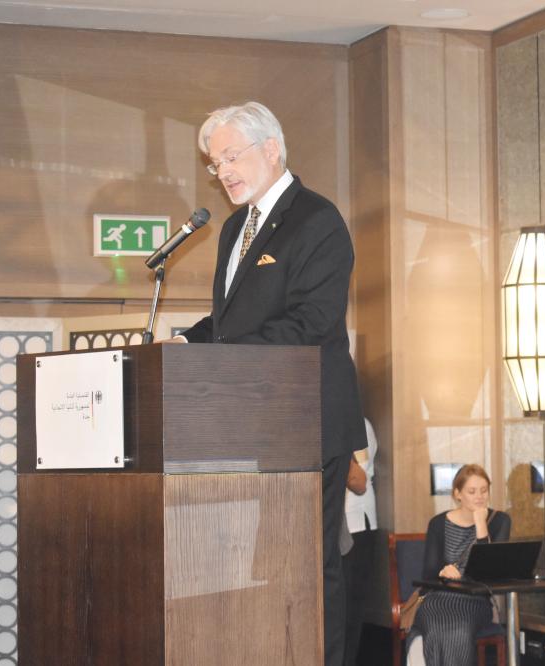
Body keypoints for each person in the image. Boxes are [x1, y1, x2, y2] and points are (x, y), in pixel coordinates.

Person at [173, 101, 366, 666]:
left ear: (272, 149)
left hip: (306, 419)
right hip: (253, 423)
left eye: (231, 156)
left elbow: (312, 322)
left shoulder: (317, 219)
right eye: (215, 163)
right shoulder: (235, 226)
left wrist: (221, 354)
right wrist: (187, 344)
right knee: (265, 568)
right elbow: (233, 322)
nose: (222, 171)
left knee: (307, 564)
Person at [408, 464, 510, 666]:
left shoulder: (500, 521)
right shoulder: (438, 523)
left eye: (484, 490)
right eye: (472, 491)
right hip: (438, 598)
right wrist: (443, 572)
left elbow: (491, 572)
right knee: (437, 627)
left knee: (458, 630)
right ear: (458, 494)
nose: (479, 496)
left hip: (475, 601)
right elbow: (427, 576)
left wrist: (481, 525)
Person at [342, 418, 378, 666]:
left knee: (350, 610)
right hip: (334, 527)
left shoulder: (357, 425)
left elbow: (358, 481)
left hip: (356, 525)